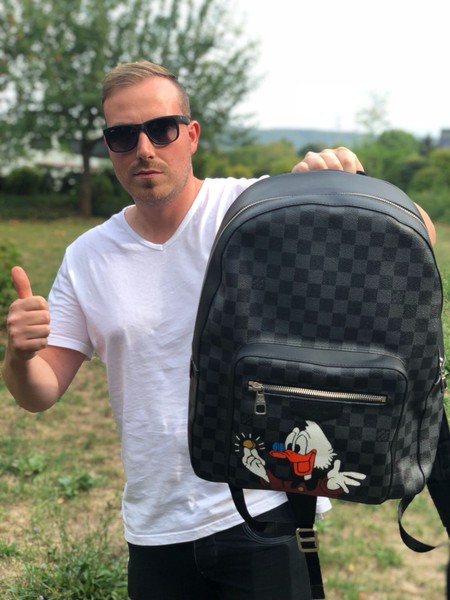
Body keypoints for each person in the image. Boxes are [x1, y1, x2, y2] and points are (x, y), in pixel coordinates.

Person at [2, 60, 436, 600]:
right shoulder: (88, 256)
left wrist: (345, 187)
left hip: (262, 505)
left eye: (161, 129)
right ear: (109, 146)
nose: (144, 149)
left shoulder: (254, 211)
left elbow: (420, 233)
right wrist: (19, 356)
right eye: (123, 135)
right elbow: (39, 393)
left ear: (191, 134)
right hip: (155, 524)